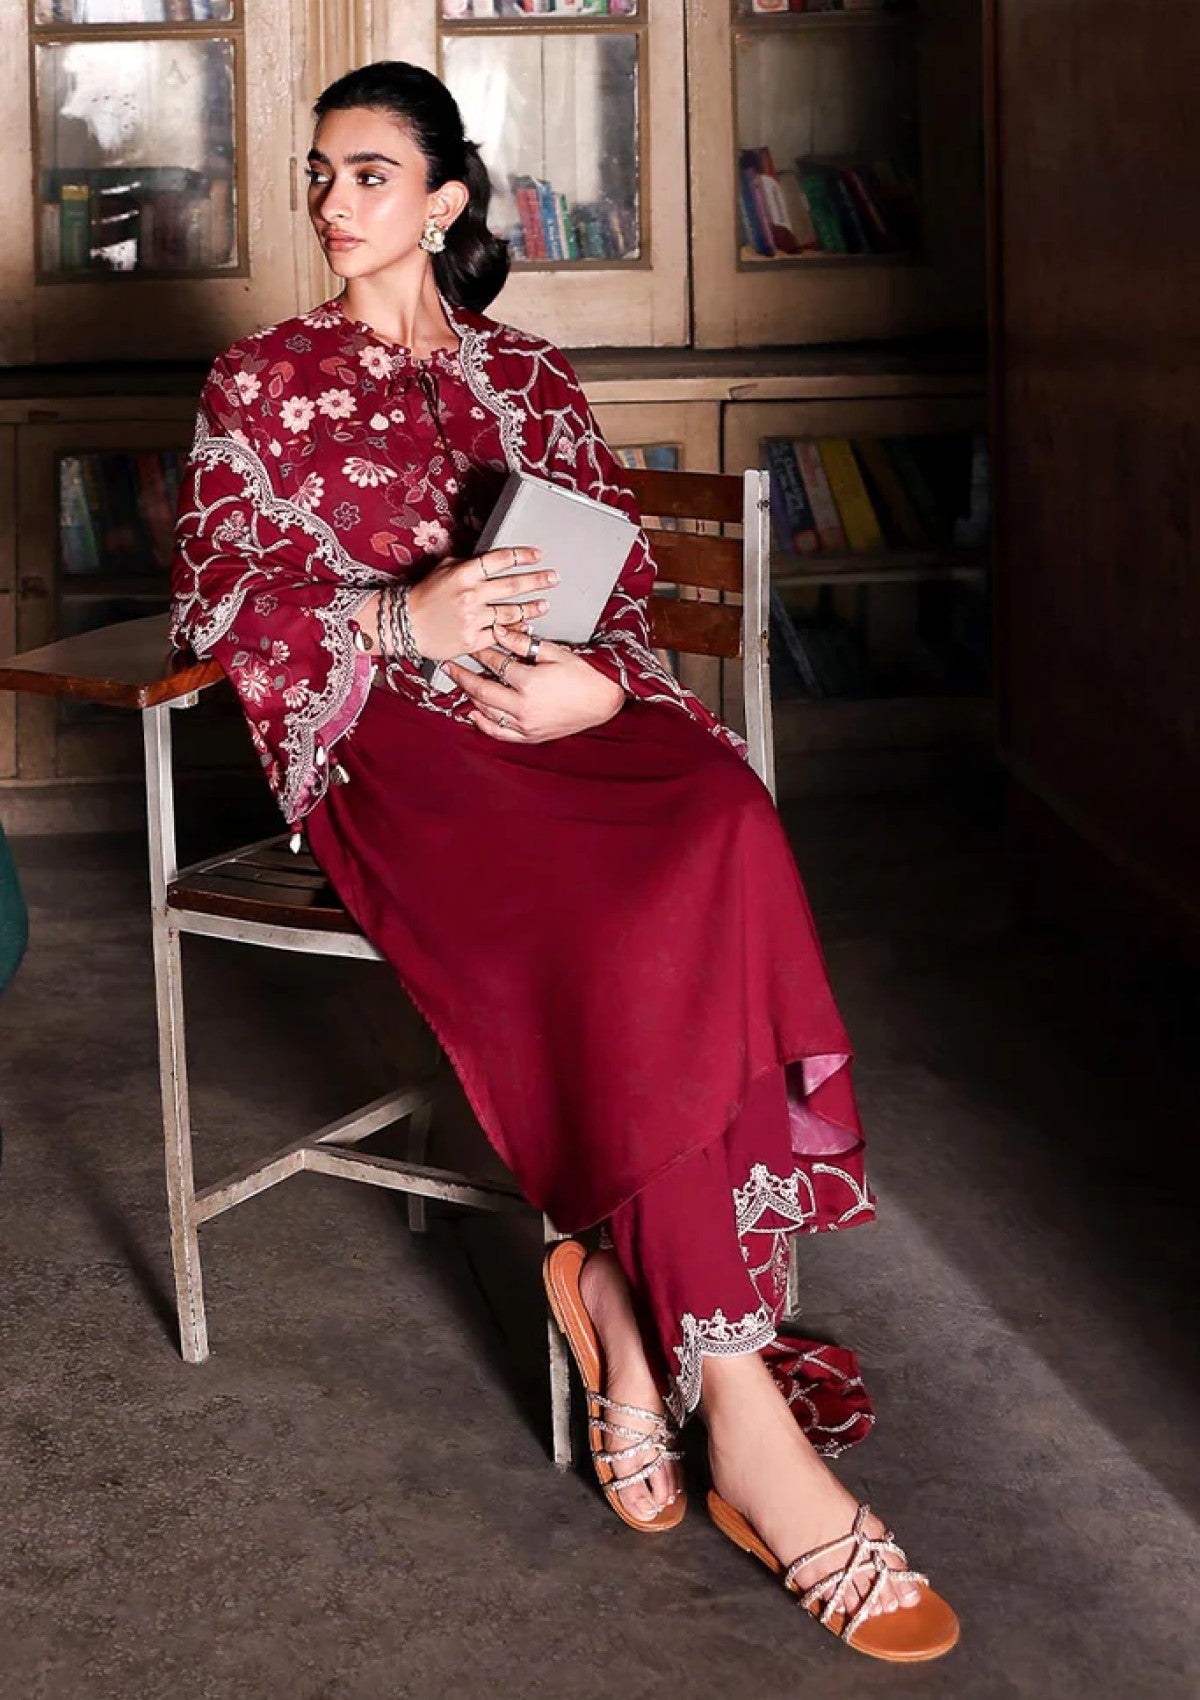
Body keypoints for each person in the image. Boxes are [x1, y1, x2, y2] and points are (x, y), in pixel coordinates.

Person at [169, 61, 958, 1662]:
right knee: (619, 929)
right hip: (393, 741)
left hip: (563, 710)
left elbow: (618, 580)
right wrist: (401, 619)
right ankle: (738, 1410)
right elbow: (214, 605)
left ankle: (620, 1306)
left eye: (369, 174)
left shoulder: (530, 372)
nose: (333, 202)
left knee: (723, 814)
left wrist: (600, 685)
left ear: (445, 201)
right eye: (320, 173)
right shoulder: (259, 380)